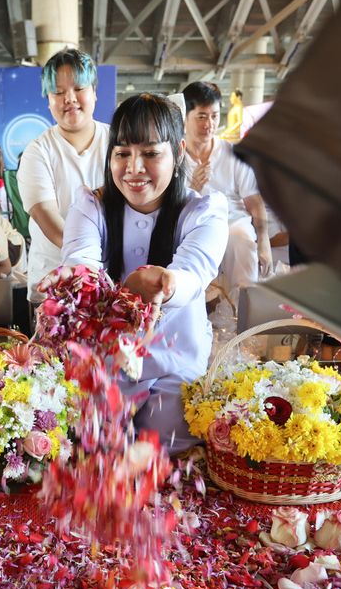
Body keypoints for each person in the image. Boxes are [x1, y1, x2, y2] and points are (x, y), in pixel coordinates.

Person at [62, 94, 228, 455]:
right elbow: (80, 265)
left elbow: (194, 270)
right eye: (122, 153)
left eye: (150, 153)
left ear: (178, 152)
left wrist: (165, 286)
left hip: (176, 359)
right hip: (103, 361)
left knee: (167, 447)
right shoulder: (91, 206)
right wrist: (119, 293)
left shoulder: (203, 212)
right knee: (95, 446)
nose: (134, 168)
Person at [17, 48, 109, 303]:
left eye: (79, 88)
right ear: (48, 99)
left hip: (110, 280)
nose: (69, 98)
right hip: (53, 286)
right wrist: (87, 263)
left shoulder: (118, 143)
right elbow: (47, 218)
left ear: (94, 92)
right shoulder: (38, 152)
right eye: (58, 92)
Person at [182, 81, 272, 304]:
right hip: (192, 224)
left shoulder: (232, 154)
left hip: (232, 221)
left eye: (214, 116)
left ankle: (245, 322)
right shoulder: (174, 156)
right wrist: (192, 188)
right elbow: (169, 206)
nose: (209, 124)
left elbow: (254, 201)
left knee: (241, 238)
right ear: (185, 117)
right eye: (201, 117)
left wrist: (264, 240)